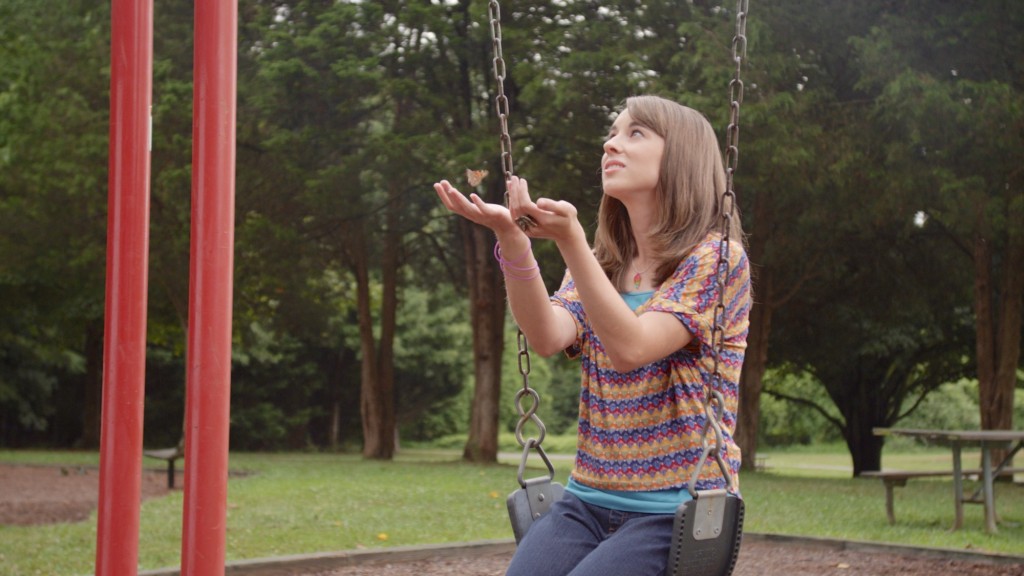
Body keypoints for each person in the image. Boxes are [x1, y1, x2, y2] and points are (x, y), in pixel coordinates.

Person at [433, 95, 751, 576]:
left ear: (682, 156)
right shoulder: (605, 263)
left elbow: (632, 348)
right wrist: (513, 241)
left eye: (634, 134)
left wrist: (569, 240)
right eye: (613, 131)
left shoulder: (715, 259)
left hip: (675, 509)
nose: (611, 143)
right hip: (585, 500)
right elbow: (546, 334)